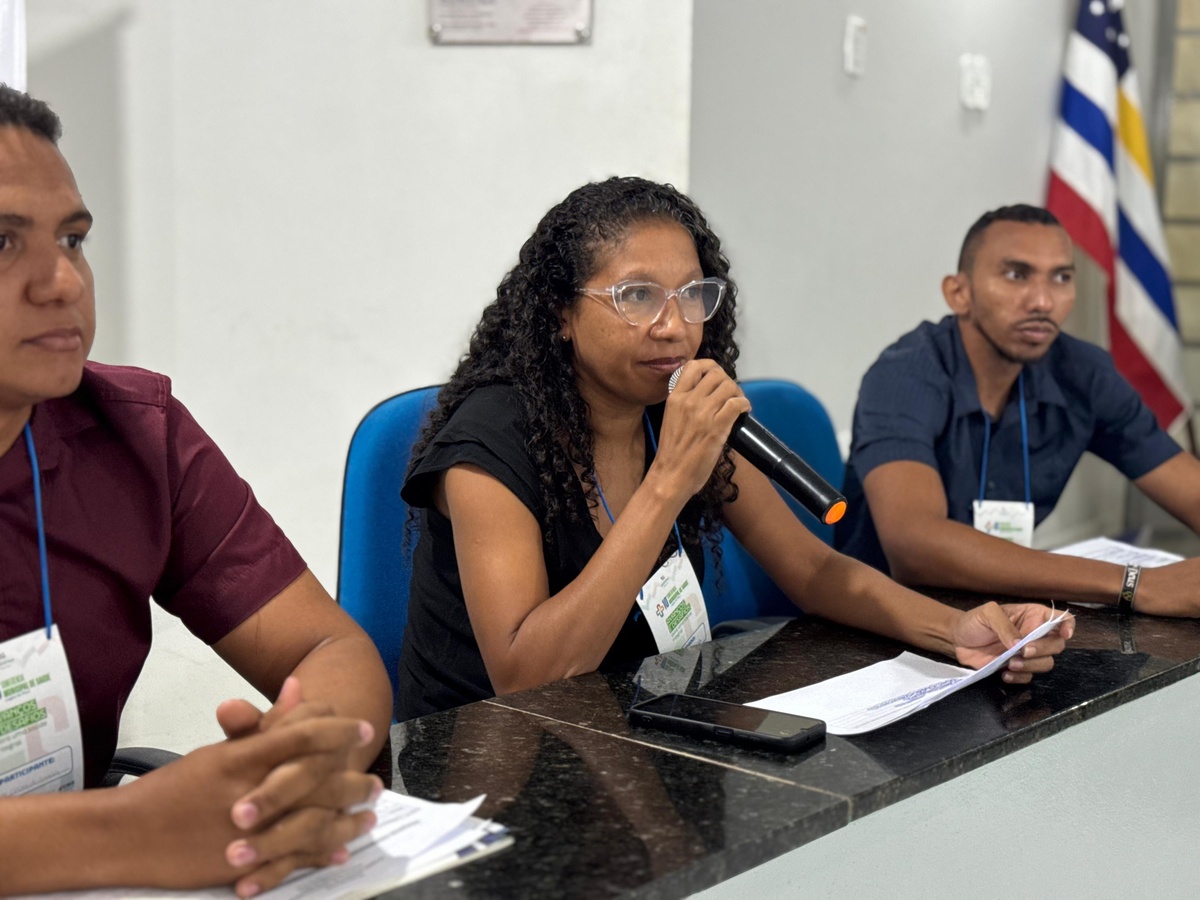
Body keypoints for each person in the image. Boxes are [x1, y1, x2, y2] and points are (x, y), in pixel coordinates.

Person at [394, 177, 1072, 722]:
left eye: (693, 296)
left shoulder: (676, 407)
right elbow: (528, 675)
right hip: (486, 759)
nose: (673, 326)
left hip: (629, 725)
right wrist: (668, 482)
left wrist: (956, 631)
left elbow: (812, 572)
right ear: (562, 315)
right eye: (636, 296)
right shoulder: (486, 444)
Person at [0, 86, 393, 897]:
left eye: (73, 240)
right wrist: (131, 832)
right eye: (0, 243)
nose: (62, 282)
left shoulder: (133, 433)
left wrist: (283, 774)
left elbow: (328, 648)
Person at [834, 204, 1200, 615]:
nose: (1043, 300)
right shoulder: (904, 374)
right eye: (1016, 275)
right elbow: (914, 546)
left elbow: (1189, 490)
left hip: (1009, 614)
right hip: (879, 622)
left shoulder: (1083, 373)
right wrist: (1134, 584)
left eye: (1061, 278)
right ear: (960, 293)